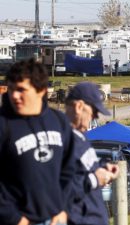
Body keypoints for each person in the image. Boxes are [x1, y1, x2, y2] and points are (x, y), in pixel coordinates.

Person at [0, 58, 76, 225]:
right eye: (11, 89)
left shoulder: (59, 121)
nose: (14, 96)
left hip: (55, 219)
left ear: (41, 90)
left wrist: (62, 208)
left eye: (21, 90)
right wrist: (13, 218)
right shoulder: (4, 123)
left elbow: (69, 169)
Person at [65, 82, 119, 225]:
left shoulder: (79, 136)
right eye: (93, 112)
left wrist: (103, 167)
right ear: (79, 107)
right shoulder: (61, 140)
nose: (95, 117)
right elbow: (56, 187)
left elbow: (84, 169)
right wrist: (94, 179)